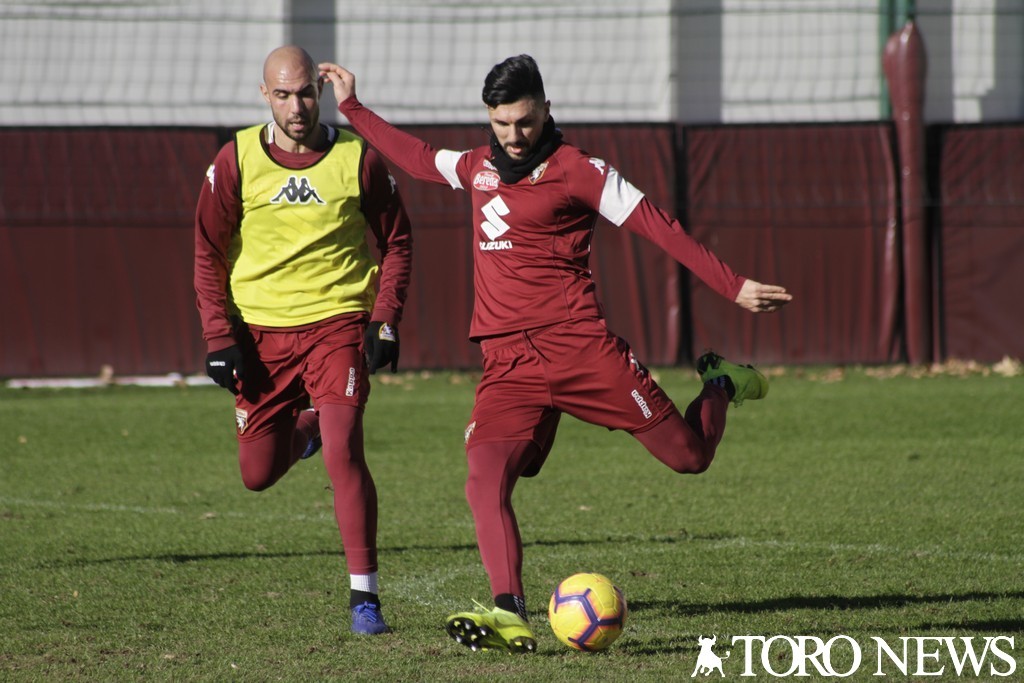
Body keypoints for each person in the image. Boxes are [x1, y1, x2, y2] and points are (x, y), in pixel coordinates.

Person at [319, 54, 792, 652]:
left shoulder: (580, 171)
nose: (514, 135)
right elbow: (415, 157)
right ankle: (509, 611)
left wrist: (734, 285)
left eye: (524, 121)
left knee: (690, 457)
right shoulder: (476, 167)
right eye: (501, 123)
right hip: (508, 366)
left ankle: (720, 383)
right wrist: (352, 107)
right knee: (484, 479)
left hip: (580, 352)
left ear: (546, 109)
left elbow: (659, 226)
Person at [194, 45, 413, 636]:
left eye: (306, 94)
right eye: (284, 95)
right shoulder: (235, 160)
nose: (297, 107)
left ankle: (364, 599)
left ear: (321, 92)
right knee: (257, 473)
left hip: (335, 327)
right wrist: (219, 336)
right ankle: (307, 427)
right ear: (264, 94)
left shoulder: (357, 159)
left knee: (345, 452)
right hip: (259, 335)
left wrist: (384, 318)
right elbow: (207, 254)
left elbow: (397, 241)